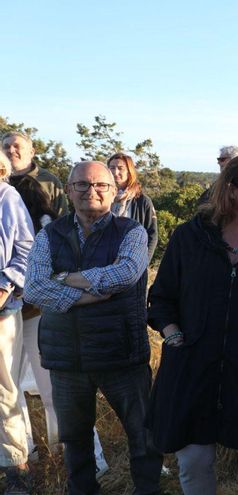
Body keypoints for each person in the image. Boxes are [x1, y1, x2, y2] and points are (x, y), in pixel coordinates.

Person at [147, 153, 238, 494]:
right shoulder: (189, 237)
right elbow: (162, 296)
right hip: (192, 366)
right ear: (231, 189)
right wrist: (174, 336)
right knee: (193, 460)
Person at [23, 161, 162, 494]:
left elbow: (126, 274)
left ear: (114, 192)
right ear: (69, 191)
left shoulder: (132, 232)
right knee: (75, 441)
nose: (92, 192)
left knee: (143, 435)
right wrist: (89, 295)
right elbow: (34, 289)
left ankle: (148, 490)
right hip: (67, 358)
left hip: (121, 354)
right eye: (82, 185)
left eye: (101, 185)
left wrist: (63, 282)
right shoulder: (49, 234)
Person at [0, 151, 34, 494]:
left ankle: (16, 469)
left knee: (3, 391)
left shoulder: (7, 197)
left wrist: (4, 285)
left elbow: (26, 248)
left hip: (1, 312)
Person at [2, 131, 67, 218]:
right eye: (6, 147)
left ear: (31, 152)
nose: (11, 150)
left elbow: (62, 219)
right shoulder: (1, 182)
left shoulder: (48, 181)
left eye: (17, 146)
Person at [107, 153, 158, 261]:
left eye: (120, 168)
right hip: (103, 262)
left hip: (132, 263)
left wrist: (143, 263)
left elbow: (152, 235)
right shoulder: (102, 197)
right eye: (112, 168)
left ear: (129, 172)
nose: (115, 172)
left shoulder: (143, 201)